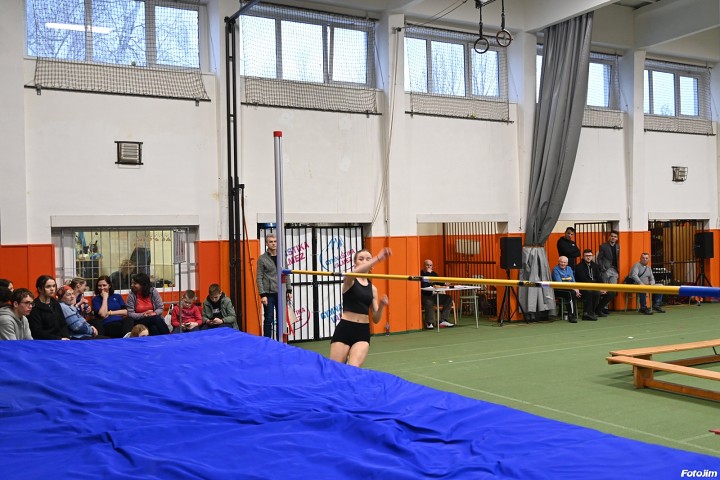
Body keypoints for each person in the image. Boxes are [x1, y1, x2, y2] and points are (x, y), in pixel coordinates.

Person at [329, 247, 391, 368]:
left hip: (362, 331)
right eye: (361, 259)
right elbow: (354, 273)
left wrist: (382, 306)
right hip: (345, 329)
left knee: (354, 368)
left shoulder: (373, 289)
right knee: (335, 369)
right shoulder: (350, 280)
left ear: (371, 266)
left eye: (368, 259)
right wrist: (377, 258)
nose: (365, 261)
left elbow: (376, 319)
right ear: (355, 263)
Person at [256, 233, 292, 338]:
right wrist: (262, 294)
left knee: (281, 319)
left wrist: (289, 290)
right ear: (266, 244)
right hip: (268, 294)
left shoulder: (282, 257)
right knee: (269, 319)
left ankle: (279, 341)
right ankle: (267, 342)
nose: (273, 244)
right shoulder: (262, 259)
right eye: (271, 242)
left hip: (281, 292)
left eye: (275, 241)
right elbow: (259, 277)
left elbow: (286, 274)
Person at [27, 275, 70, 340]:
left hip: (61, 340)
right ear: (39, 289)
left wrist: (66, 337)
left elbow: (63, 324)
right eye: (48, 286)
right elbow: (37, 332)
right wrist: (58, 339)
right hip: (45, 341)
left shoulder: (55, 303)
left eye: (54, 286)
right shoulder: (34, 307)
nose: (52, 289)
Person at [573, 250, 609, 321]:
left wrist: (603, 287)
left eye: (590, 256)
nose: (588, 257)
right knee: (594, 293)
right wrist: (597, 288)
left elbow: (599, 278)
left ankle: (597, 310)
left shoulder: (595, 266)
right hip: (583, 288)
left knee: (611, 292)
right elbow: (583, 280)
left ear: (592, 256)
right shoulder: (578, 267)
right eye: (586, 256)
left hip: (594, 287)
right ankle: (587, 314)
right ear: (583, 257)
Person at [420, 259, 454, 329]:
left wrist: (445, 283)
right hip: (423, 296)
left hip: (432, 295)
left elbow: (439, 281)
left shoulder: (433, 274)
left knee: (448, 298)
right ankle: (429, 322)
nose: (429, 267)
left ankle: (443, 320)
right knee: (429, 302)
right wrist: (428, 273)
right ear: (424, 266)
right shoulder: (421, 274)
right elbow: (424, 284)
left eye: (430, 265)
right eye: (427, 265)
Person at [596, 230, 620, 314]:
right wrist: (602, 268)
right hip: (606, 270)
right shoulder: (603, 246)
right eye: (612, 236)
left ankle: (605, 306)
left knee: (613, 290)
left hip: (615, 270)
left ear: (617, 238)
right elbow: (599, 258)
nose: (613, 238)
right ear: (609, 237)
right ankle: (603, 308)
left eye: (615, 236)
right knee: (604, 289)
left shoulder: (618, 246)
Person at [551, 256, 580, 323]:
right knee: (571, 293)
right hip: (559, 289)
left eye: (564, 262)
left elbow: (573, 280)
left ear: (567, 263)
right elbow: (560, 283)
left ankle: (578, 313)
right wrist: (573, 288)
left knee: (574, 292)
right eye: (561, 262)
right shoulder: (555, 270)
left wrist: (577, 288)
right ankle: (571, 315)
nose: (563, 264)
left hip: (570, 289)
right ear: (559, 262)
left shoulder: (569, 268)